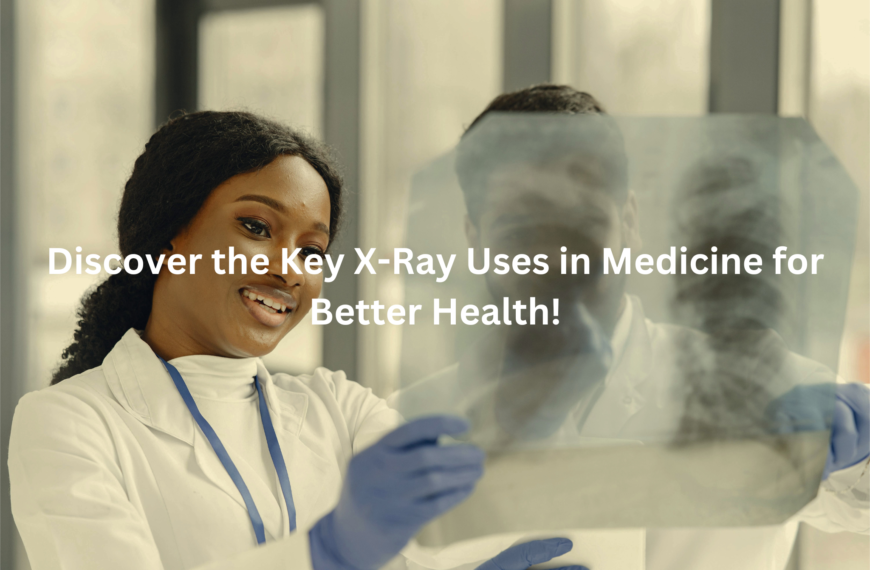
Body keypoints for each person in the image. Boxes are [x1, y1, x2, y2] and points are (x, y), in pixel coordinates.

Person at [7, 111, 590, 570]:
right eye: (257, 228)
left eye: (312, 250)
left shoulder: (338, 407)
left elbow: (452, 530)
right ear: (168, 237)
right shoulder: (68, 424)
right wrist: (325, 553)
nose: (290, 270)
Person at [390, 85, 870, 570]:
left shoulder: (754, 388)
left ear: (629, 222)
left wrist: (859, 438)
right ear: (475, 241)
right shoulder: (400, 430)